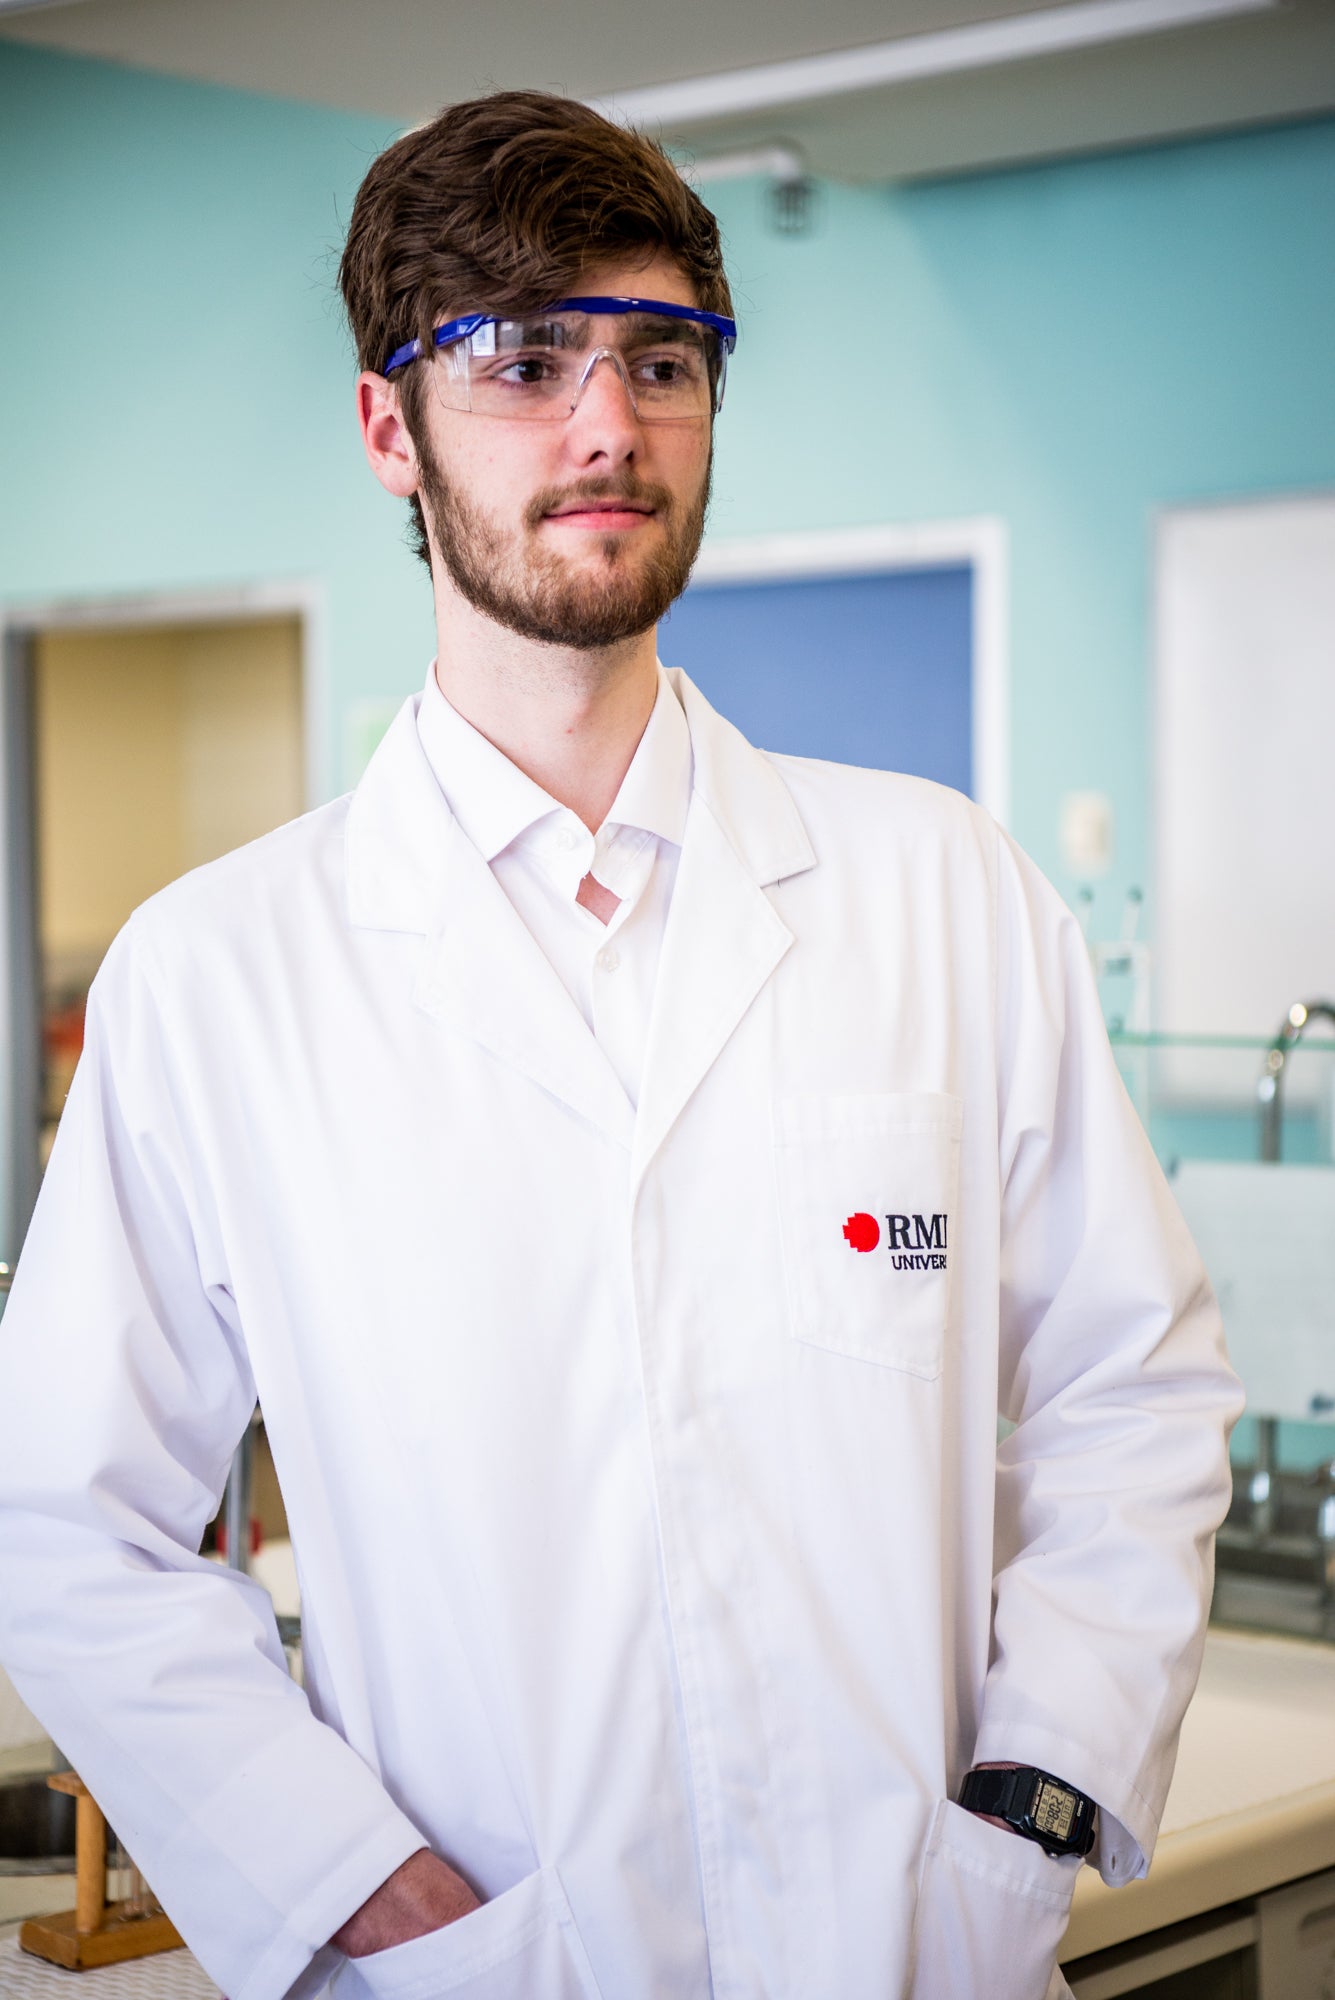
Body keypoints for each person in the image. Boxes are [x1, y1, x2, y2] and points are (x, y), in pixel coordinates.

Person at [0, 89, 1240, 2000]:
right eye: (522, 362)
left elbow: (1130, 1392)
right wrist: (359, 1892)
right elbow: (69, 1524)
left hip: (922, 1954)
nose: (608, 425)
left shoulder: (945, 894)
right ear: (388, 430)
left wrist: (1040, 1797)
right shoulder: (218, 981)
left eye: (662, 360)